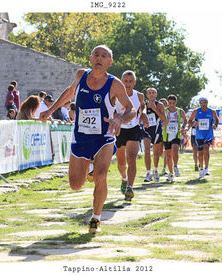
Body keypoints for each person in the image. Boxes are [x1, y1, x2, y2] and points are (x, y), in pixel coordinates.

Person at [39, 45, 136, 234]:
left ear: (110, 61)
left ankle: (96, 219)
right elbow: (69, 93)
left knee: (101, 176)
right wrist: (50, 111)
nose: (99, 58)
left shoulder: (115, 84)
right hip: (81, 136)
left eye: (104, 56)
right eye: (96, 55)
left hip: (104, 136)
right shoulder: (81, 75)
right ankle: (90, 168)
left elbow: (131, 109)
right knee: (75, 184)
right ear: (90, 58)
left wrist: (119, 119)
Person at [115, 70, 147, 201]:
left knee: (132, 157)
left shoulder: (139, 95)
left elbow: (143, 106)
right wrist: (115, 116)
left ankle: (130, 187)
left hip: (133, 128)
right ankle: (124, 179)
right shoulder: (115, 94)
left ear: (134, 82)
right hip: (119, 129)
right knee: (121, 163)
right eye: (125, 81)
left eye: (130, 81)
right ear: (121, 81)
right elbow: (109, 108)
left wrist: (143, 113)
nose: (128, 84)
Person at [188, 97, 219, 178]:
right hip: (199, 135)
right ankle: (201, 168)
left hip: (208, 134)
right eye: (201, 102)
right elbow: (189, 121)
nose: (203, 104)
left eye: (205, 102)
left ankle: (206, 168)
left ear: (207, 103)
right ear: (199, 103)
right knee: (200, 152)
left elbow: (216, 120)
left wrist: (215, 125)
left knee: (206, 149)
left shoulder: (212, 111)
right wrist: (194, 123)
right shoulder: (196, 111)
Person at [141, 88, 166, 182]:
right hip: (146, 129)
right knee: (147, 151)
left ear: (156, 94)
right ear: (147, 95)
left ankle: (155, 169)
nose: (151, 94)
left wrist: (155, 109)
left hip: (156, 130)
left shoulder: (160, 105)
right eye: (149, 93)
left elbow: (164, 118)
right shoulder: (144, 105)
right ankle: (148, 173)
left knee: (156, 153)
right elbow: (140, 116)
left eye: (153, 93)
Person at [162, 94, 188, 181]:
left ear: (176, 103)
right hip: (166, 135)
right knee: (168, 155)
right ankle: (170, 173)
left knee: (175, 150)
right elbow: (160, 120)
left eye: (173, 103)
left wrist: (183, 127)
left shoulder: (180, 111)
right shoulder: (164, 111)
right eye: (170, 103)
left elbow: (185, 120)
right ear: (168, 103)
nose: (171, 105)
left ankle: (175, 166)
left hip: (176, 134)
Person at [158, 98, 169, 176]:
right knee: (159, 152)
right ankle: (156, 167)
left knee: (166, 152)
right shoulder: (156, 112)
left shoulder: (169, 112)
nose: (163, 105)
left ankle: (164, 168)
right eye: (161, 103)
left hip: (167, 133)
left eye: (164, 103)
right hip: (158, 134)